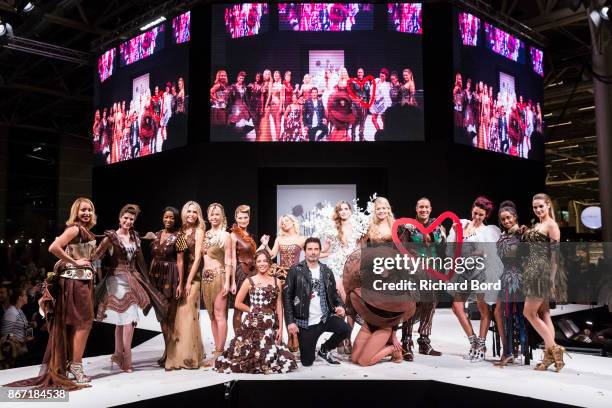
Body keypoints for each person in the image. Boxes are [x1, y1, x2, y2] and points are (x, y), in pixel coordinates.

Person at [6, 198, 98, 389]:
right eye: (83, 210)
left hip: (82, 282)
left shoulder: (85, 231)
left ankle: (73, 366)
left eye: (89, 210)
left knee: (80, 324)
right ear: (75, 212)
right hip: (76, 282)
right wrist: (74, 262)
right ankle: (76, 367)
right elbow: (53, 248)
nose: (86, 213)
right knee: (83, 324)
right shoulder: (74, 229)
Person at [94, 204, 168, 373]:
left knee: (130, 320)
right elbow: (96, 255)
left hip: (133, 279)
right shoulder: (111, 238)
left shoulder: (135, 236)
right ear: (120, 219)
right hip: (116, 281)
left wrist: (150, 237)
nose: (128, 221)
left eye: (131, 219)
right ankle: (122, 356)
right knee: (122, 322)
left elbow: (140, 256)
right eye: (125, 218)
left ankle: (120, 355)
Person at [215, 250, 298, 374]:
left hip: (270, 324)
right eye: (259, 261)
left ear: (269, 262)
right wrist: (253, 309)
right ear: (255, 263)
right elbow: (237, 303)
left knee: (278, 360)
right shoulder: (249, 281)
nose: (262, 264)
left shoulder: (276, 281)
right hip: (253, 323)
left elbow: (279, 306)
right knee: (248, 357)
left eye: (265, 261)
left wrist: (281, 328)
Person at [447, 196, 502, 362]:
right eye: (475, 213)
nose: (477, 217)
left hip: (480, 271)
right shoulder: (461, 224)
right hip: (463, 271)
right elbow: (451, 250)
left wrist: (478, 252)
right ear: (472, 209)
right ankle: (474, 342)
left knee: (483, 308)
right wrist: (457, 234)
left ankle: (482, 343)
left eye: (481, 215)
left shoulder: (488, 231)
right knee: (457, 307)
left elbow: (489, 253)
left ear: (486, 216)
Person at [284, 237, 351, 366]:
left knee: (345, 330)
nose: (313, 252)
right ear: (305, 251)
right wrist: (291, 322)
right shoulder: (295, 270)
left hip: (324, 318)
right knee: (307, 362)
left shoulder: (326, 271)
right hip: (306, 323)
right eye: (310, 249)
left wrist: (340, 305)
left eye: (316, 249)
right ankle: (309, 347)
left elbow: (334, 294)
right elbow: (287, 297)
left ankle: (325, 349)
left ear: (320, 251)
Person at [522, 193, 566, 372]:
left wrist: (551, 279)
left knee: (529, 313)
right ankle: (549, 357)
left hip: (542, 273)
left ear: (548, 205)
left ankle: (555, 349)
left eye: (541, 206)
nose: (538, 209)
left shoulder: (552, 225)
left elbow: (555, 256)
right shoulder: (538, 224)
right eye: (535, 207)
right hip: (532, 271)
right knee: (545, 314)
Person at [398, 197, 446, 361]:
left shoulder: (438, 227)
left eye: (426, 207)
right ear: (416, 209)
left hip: (432, 273)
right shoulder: (408, 226)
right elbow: (401, 249)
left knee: (429, 305)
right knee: (411, 306)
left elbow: (442, 250)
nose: (424, 210)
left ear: (431, 209)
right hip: (413, 272)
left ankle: (424, 342)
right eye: (421, 207)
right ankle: (406, 342)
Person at [165, 201, 207, 369]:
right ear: (183, 213)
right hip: (178, 277)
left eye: (194, 212)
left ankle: (189, 357)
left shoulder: (199, 231)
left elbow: (198, 258)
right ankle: (178, 355)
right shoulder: (179, 230)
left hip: (193, 278)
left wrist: (189, 281)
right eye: (188, 211)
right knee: (178, 317)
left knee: (188, 314)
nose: (191, 214)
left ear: (198, 214)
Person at [259, 214, 307, 351]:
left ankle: (294, 339)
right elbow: (272, 255)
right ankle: (279, 339)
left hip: (296, 276)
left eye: (287, 221)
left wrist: (326, 250)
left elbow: (311, 253)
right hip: (280, 275)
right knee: (280, 307)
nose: (284, 223)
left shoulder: (301, 239)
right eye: (282, 222)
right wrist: (265, 245)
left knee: (293, 307)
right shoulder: (279, 239)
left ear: (293, 222)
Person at [146, 207, 186, 366]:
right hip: (156, 278)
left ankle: (171, 352)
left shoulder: (180, 236)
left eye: (172, 218)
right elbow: (153, 258)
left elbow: (181, 261)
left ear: (176, 220)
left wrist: (180, 283)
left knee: (170, 316)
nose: (169, 220)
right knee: (161, 316)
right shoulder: (156, 235)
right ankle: (167, 349)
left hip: (171, 275)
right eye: (166, 217)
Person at [493, 200, 528, 367]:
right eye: (503, 219)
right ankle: (508, 352)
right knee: (506, 316)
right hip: (504, 277)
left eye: (509, 218)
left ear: (515, 217)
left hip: (516, 278)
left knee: (518, 316)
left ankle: (517, 352)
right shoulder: (504, 235)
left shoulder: (522, 233)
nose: (506, 221)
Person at [202, 203, 232, 363]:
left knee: (220, 315)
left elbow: (228, 260)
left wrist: (228, 281)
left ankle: (220, 351)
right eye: (212, 214)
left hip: (219, 276)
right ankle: (216, 349)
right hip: (205, 278)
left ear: (222, 216)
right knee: (211, 316)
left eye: (217, 214)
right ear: (208, 216)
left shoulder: (225, 236)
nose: (214, 217)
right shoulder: (205, 234)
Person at [230, 205, 257, 334]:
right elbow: (232, 259)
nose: (243, 220)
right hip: (241, 271)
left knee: (255, 304)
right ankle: (238, 341)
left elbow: (254, 255)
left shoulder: (249, 235)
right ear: (236, 218)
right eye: (240, 218)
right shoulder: (233, 235)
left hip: (253, 272)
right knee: (238, 306)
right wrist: (232, 281)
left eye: (245, 217)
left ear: (249, 218)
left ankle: (253, 337)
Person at [0, 287, 33, 368]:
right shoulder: (11, 312)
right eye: (25, 295)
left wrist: (29, 334)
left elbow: (25, 326)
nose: (27, 297)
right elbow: (5, 333)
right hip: (15, 352)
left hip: (23, 347)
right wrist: (21, 340)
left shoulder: (19, 310)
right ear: (19, 298)